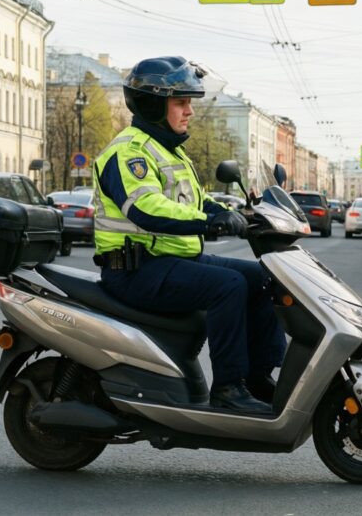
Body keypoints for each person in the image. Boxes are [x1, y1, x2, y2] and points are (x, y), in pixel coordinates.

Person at [91, 56, 285, 414]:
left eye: (190, 102)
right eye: (181, 102)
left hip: (171, 260)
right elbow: (145, 207)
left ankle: (259, 376)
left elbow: (197, 202)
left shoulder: (170, 152)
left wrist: (236, 215)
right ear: (153, 104)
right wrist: (208, 223)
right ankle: (229, 387)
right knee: (227, 286)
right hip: (135, 270)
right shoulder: (128, 152)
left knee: (264, 277)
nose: (189, 111)